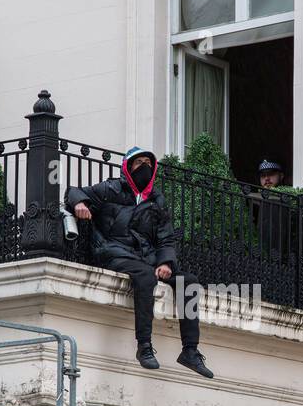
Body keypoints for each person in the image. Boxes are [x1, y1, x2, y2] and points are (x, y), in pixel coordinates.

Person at [65, 147, 213, 378]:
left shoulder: (156, 200)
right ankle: (144, 346)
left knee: (189, 282)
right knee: (145, 277)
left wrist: (166, 263)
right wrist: (79, 204)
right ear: (127, 167)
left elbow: (166, 238)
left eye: (148, 163)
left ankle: (190, 351)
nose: (143, 166)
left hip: (145, 257)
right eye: (138, 162)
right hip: (113, 251)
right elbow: (73, 191)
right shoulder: (110, 189)